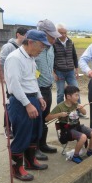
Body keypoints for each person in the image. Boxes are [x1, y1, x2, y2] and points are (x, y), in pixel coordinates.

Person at [4, 30, 50, 181]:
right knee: (22, 135)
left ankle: (30, 161)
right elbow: (15, 85)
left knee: (34, 133)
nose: (42, 49)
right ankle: (16, 169)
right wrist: (28, 104)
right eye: (41, 46)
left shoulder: (31, 58)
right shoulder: (14, 58)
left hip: (32, 99)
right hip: (20, 102)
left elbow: (32, 80)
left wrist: (39, 97)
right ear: (30, 42)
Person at [46, 85, 92, 164]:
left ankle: (90, 151)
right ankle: (75, 156)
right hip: (67, 130)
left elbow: (84, 113)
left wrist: (81, 108)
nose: (78, 97)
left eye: (78, 95)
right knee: (83, 137)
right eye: (76, 95)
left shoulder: (75, 104)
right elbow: (47, 118)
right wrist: (59, 114)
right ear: (68, 96)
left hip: (77, 126)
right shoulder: (60, 106)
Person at [35, 19, 62, 160]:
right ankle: (34, 149)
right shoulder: (34, 48)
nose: (54, 39)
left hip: (47, 88)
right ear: (42, 34)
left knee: (44, 119)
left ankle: (42, 144)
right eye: (52, 36)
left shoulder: (51, 48)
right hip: (36, 90)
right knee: (36, 121)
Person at [0, 27, 29, 139]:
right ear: (18, 35)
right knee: (9, 104)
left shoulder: (24, 48)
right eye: (25, 35)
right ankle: (7, 127)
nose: (27, 37)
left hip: (22, 82)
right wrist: (3, 76)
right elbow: (1, 61)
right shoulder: (9, 47)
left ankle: (18, 127)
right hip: (11, 81)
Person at [53, 23, 84, 112]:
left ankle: (78, 111)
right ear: (57, 33)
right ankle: (61, 112)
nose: (63, 35)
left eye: (65, 33)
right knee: (60, 93)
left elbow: (74, 56)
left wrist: (76, 69)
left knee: (75, 92)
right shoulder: (54, 43)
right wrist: (53, 72)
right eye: (61, 33)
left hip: (70, 71)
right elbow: (52, 58)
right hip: (59, 72)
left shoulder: (70, 42)